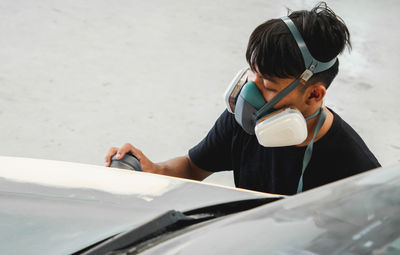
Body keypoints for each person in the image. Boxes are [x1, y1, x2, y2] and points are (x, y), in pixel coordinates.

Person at [105, 2, 380, 195]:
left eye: (269, 86)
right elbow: (192, 167)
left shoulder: (355, 170)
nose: (251, 92)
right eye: (253, 75)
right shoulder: (244, 120)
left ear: (314, 94)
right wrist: (150, 170)